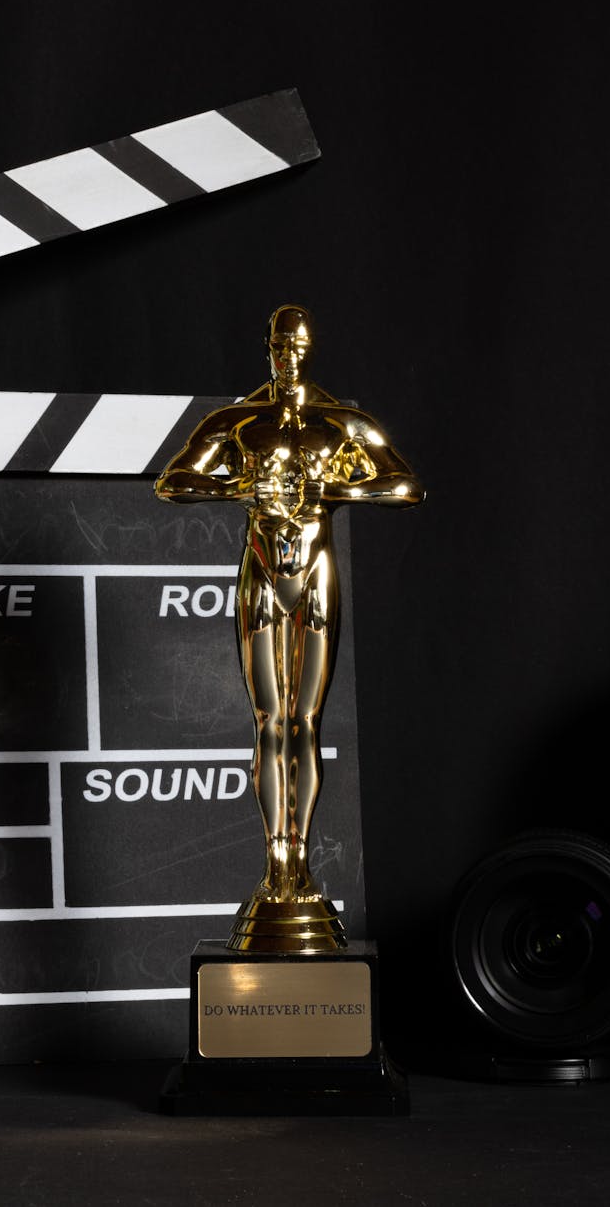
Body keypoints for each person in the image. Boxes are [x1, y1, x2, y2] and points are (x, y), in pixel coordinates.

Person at [155, 305, 424, 950]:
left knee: (306, 721)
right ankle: (277, 861)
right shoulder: (238, 422)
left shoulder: (339, 423)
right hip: (260, 570)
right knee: (267, 720)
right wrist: (244, 488)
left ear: (309, 348)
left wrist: (331, 488)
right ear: (269, 349)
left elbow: (404, 484)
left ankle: (298, 862)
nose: (288, 356)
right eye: (279, 345)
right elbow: (174, 479)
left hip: (315, 571)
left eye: (297, 345)